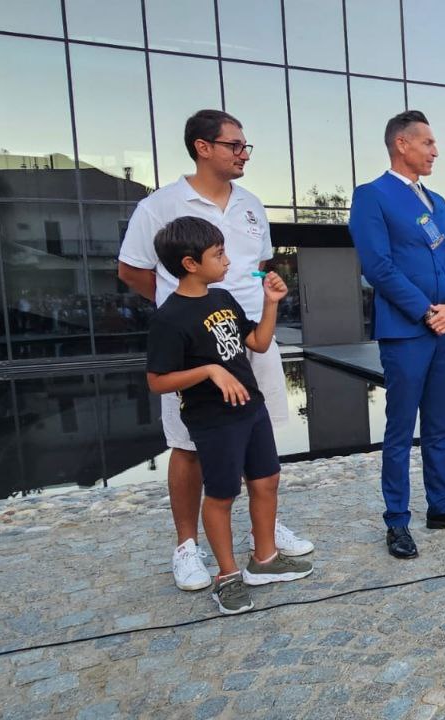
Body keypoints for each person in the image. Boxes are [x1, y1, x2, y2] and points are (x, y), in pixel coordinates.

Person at [118, 109, 312, 592]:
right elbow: (132, 271)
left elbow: (258, 265)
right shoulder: (160, 206)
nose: (244, 154)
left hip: (250, 336)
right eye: (235, 145)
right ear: (203, 148)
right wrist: (185, 315)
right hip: (195, 351)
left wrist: (259, 307)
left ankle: (264, 536)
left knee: (256, 434)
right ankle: (187, 546)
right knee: (188, 446)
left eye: (246, 146)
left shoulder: (250, 204)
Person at [145, 217, 313, 615]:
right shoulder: (169, 318)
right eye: (218, 254)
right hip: (214, 420)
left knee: (267, 480)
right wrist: (209, 371)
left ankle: (265, 560)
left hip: (251, 409)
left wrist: (271, 303)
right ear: (190, 264)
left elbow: (258, 341)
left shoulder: (222, 298)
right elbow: (157, 381)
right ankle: (228, 576)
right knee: (221, 495)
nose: (227, 260)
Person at [349, 110, 445, 559]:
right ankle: (397, 520)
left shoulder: (439, 202)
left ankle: (441, 506)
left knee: (438, 426)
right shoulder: (372, 196)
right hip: (407, 331)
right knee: (400, 429)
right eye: (427, 143)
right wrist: (427, 311)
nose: (435, 151)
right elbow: (378, 267)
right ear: (401, 144)